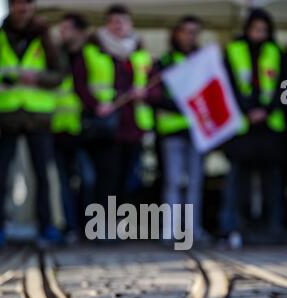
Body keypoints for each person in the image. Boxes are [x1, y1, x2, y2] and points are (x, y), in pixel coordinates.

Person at [0, 0, 63, 248]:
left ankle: (47, 227)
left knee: (43, 176)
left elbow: (59, 75)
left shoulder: (45, 39)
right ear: (10, 8)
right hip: (6, 118)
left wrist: (38, 78)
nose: (21, 10)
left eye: (26, 5)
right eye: (16, 5)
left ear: (33, 7)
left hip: (38, 118)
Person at [72, 4, 154, 215]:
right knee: (106, 177)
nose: (119, 25)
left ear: (131, 24)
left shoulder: (141, 55)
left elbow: (154, 86)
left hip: (133, 127)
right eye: (114, 21)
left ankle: (120, 223)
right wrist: (96, 105)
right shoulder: (91, 52)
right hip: (106, 128)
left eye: (123, 21)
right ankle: (101, 225)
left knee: (128, 178)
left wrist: (144, 94)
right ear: (106, 25)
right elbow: (79, 84)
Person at [220, 8, 286, 247]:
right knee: (239, 181)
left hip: (270, 128)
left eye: (263, 30)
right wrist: (247, 110)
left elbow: (283, 87)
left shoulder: (277, 53)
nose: (259, 33)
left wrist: (267, 110)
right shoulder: (233, 51)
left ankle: (273, 228)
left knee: (272, 183)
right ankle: (236, 227)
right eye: (255, 28)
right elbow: (227, 87)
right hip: (242, 127)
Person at [149, 16, 207, 245]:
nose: (189, 36)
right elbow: (155, 95)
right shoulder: (165, 62)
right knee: (173, 181)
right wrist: (182, 106)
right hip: (172, 130)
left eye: (194, 32)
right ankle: (170, 230)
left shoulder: (203, 62)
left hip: (198, 130)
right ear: (176, 34)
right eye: (185, 31)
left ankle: (193, 229)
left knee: (195, 182)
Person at [53, 13, 93, 242]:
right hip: (59, 128)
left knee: (88, 179)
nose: (62, 33)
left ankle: (89, 226)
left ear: (79, 31)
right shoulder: (55, 53)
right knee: (64, 183)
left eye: (66, 28)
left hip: (86, 129)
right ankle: (71, 227)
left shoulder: (92, 55)